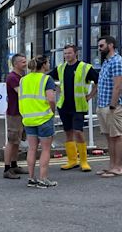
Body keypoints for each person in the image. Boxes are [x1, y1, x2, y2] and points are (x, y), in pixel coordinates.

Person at [48, 44, 98, 172]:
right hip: (64, 106)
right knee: (68, 133)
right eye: (65, 54)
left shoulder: (85, 67)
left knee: (78, 132)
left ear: (76, 54)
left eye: (69, 53)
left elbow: (98, 80)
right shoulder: (61, 68)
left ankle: (84, 161)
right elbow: (47, 78)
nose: (66, 56)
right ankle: (72, 160)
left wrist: (91, 95)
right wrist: (56, 88)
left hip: (79, 106)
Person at [19, 55, 57, 188]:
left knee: (32, 149)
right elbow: (51, 99)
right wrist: (53, 111)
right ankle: (43, 179)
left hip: (28, 119)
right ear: (44, 65)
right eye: (47, 63)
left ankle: (31, 178)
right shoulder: (47, 79)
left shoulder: (23, 80)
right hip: (44, 118)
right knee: (46, 149)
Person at [95, 36, 122, 177]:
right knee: (109, 137)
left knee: (117, 137)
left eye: (101, 46)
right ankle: (111, 166)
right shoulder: (106, 62)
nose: (99, 49)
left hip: (112, 106)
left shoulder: (117, 61)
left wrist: (112, 105)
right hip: (102, 105)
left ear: (110, 45)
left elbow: (118, 86)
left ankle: (118, 167)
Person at [3, 54, 30, 179]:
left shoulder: (22, 76)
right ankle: (7, 169)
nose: (26, 63)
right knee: (11, 141)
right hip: (14, 113)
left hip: (21, 112)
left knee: (17, 141)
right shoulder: (12, 77)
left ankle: (14, 165)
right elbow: (21, 93)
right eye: (23, 62)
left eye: (25, 61)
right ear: (15, 64)